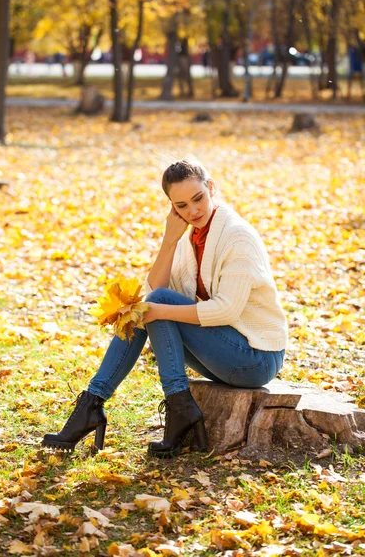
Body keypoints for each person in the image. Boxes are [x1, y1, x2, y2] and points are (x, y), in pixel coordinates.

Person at [42, 160, 288, 459]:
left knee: (158, 306)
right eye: (181, 206)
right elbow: (153, 292)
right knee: (149, 306)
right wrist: (169, 240)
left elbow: (225, 312)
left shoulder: (237, 237)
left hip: (256, 357)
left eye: (198, 198)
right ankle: (93, 404)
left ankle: (171, 404)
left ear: (211, 189)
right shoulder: (191, 239)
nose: (193, 211)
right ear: (173, 208)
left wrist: (158, 311)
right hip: (222, 352)